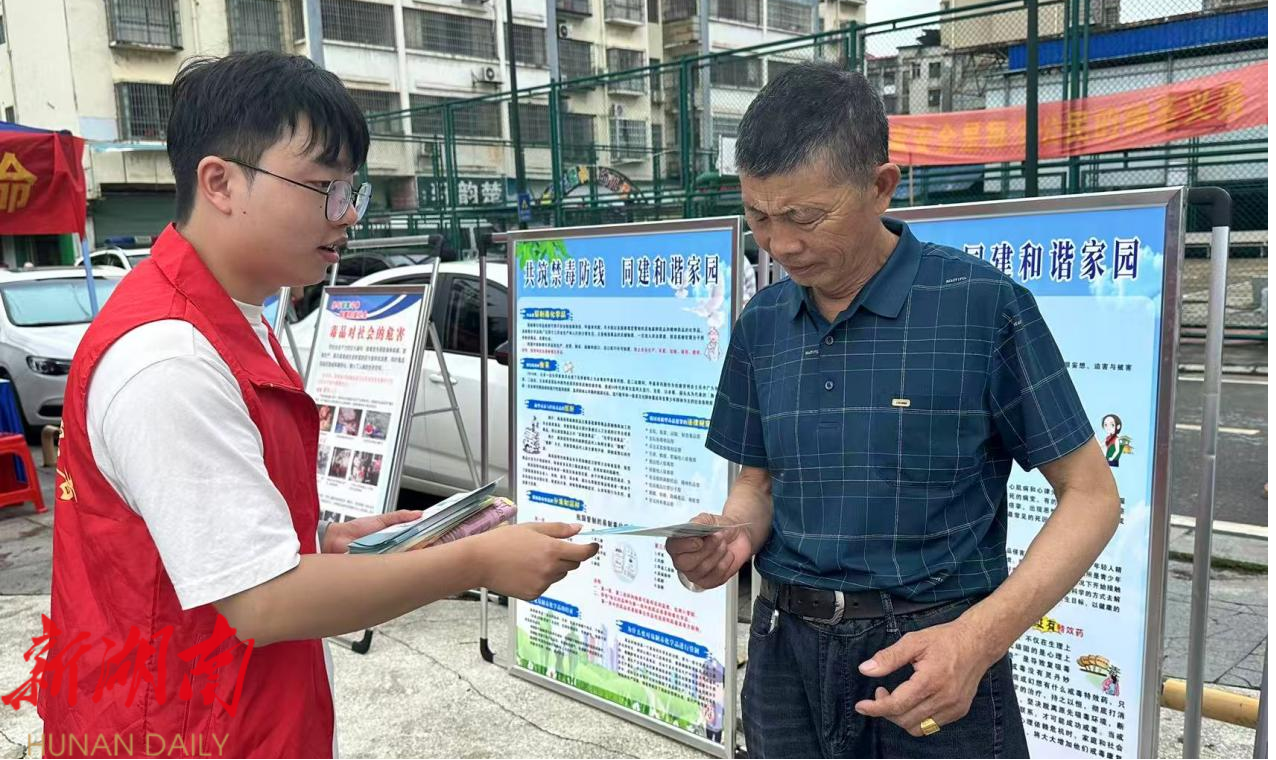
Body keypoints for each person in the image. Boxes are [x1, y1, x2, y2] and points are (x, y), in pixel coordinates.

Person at [41, 52, 597, 758]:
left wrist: (326, 543)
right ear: (220, 183)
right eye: (323, 186)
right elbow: (263, 601)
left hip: (233, 713)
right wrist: (477, 564)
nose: (348, 214)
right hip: (183, 729)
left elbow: (209, 535)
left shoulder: (233, 317)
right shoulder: (170, 358)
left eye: (350, 189)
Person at [666, 62, 1121, 759]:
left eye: (804, 217)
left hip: (933, 654)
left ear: (882, 186)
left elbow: (1091, 497)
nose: (779, 245)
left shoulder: (980, 306)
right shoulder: (762, 324)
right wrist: (732, 536)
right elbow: (757, 484)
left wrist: (978, 641)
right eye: (759, 216)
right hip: (785, 655)